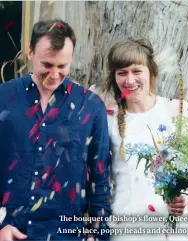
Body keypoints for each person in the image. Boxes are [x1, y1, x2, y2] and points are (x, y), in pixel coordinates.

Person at [0, 19, 111, 241]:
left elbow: (100, 179)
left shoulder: (90, 106)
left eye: (62, 66)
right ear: (30, 53)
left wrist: (96, 236)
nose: (54, 74)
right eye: (47, 65)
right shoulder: (3, 98)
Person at [90, 38, 188, 241]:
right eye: (122, 73)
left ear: (151, 71)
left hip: (171, 231)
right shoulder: (109, 118)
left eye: (136, 71)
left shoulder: (178, 111)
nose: (129, 80)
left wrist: (184, 197)